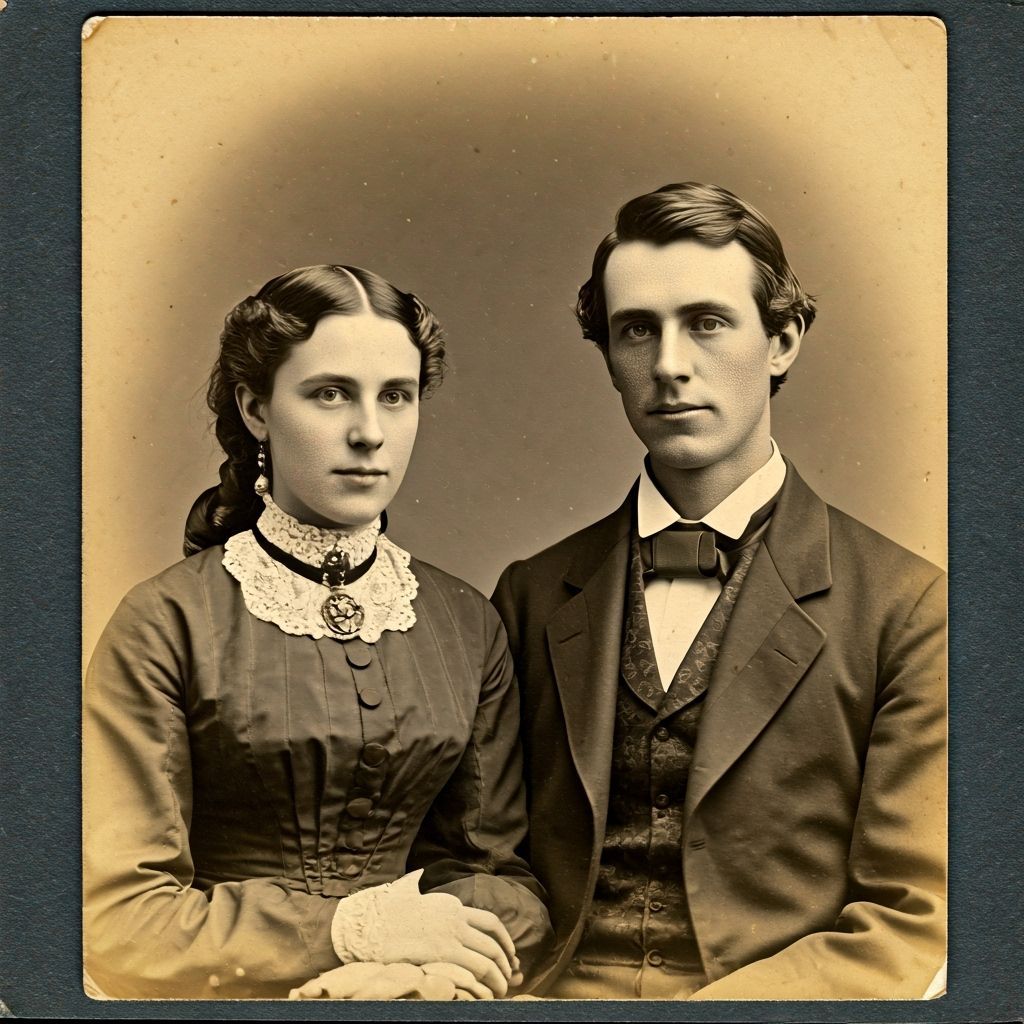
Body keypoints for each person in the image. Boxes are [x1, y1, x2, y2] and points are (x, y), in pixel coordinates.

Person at [491, 183, 946, 1000]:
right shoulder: (530, 595)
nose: (669, 365)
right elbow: (493, 858)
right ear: (606, 354)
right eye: (637, 330)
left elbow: (909, 918)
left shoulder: (907, 610)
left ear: (782, 341)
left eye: (706, 322)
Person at [84, 264, 551, 1000]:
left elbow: (504, 884)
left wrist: (416, 969)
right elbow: (118, 924)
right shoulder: (165, 622)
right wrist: (353, 936)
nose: (369, 433)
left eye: (395, 397)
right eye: (330, 394)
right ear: (256, 408)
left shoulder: (466, 624)